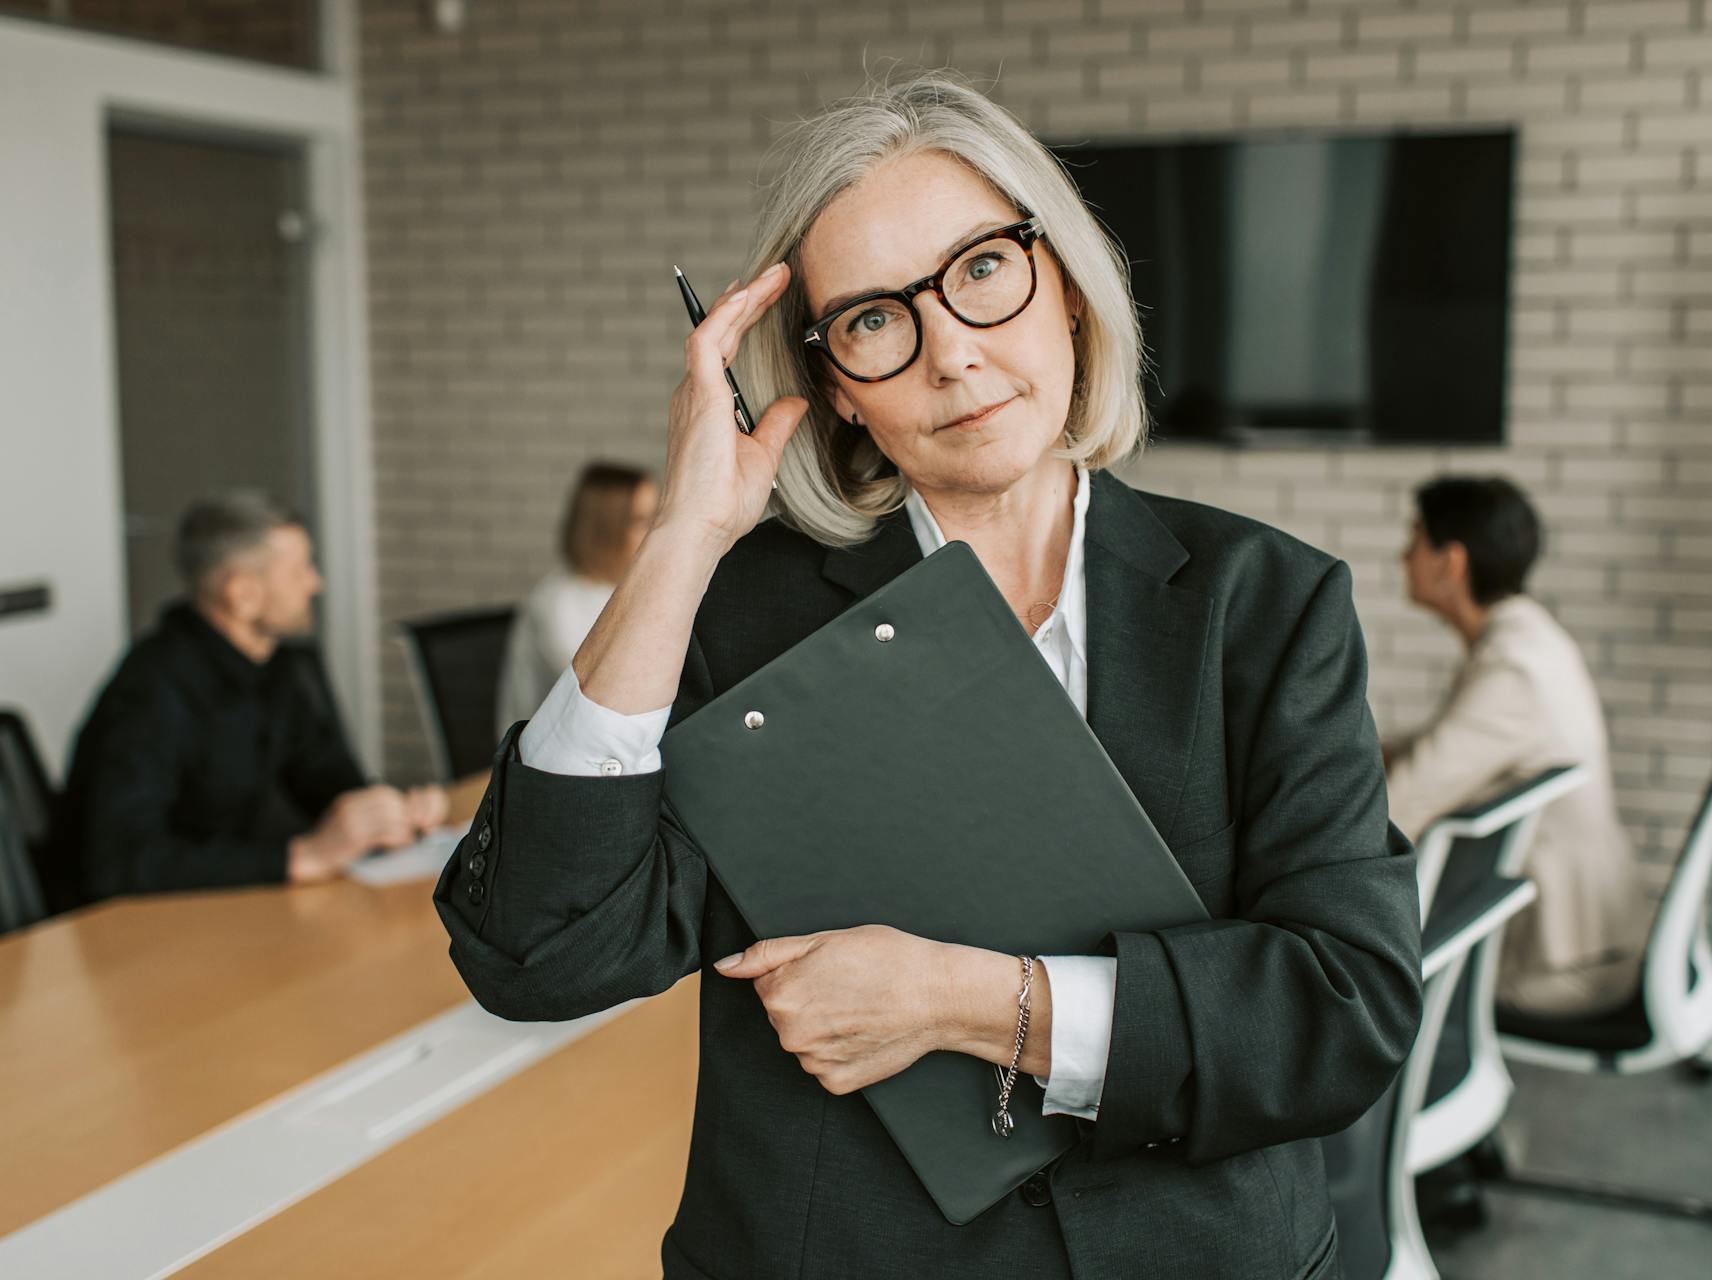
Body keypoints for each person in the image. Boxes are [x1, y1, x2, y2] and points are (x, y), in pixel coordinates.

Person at [436, 75, 1420, 1280]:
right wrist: (683, 539)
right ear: (836, 382)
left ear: (1061, 283)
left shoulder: (1264, 603)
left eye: (982, 271)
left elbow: (1347, 1005)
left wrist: (969, 1000)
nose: (953, 352)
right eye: (873, 319)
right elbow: (536, 953)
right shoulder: (744, 615)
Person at [53, 493, 447, 910]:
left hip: (216, 913)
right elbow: (122, 863)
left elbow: (325, 778)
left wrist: (392, 815)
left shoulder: (274, 666)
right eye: (300, 570)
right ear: (243, 594)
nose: (316, 583)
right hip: (121, 934)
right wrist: (303, 856)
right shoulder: (151, 689)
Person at [1385, 475, 1650, 1018]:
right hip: (1584, 939)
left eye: (1414, 540)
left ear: (1450, 563)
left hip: (1564, 966)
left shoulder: (1512, 670)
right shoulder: (1528, 639)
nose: (1401, 556)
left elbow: (1399, 806)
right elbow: (1438, 749)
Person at [495, 461, 659, 734]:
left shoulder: (625, 590)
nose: (655, 532)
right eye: (641, 521)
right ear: (605, 529)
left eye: (657, 517)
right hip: (550, 760)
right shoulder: (559, 605)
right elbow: (605, 699)